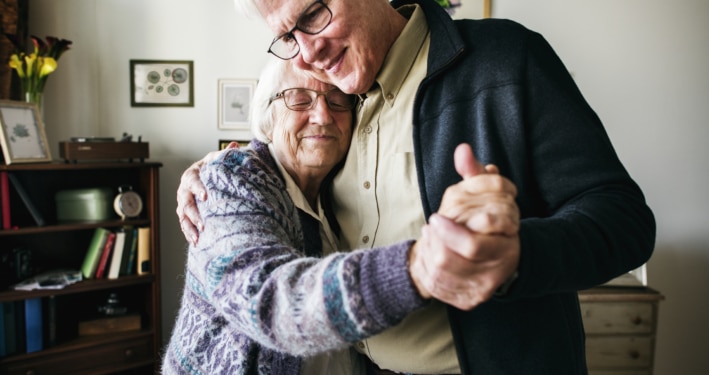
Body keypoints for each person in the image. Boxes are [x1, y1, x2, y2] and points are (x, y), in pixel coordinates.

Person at [176, 0, 656, 373]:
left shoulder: (506, 59)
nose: (308, 52)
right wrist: (220, 168)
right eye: (286, 36)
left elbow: (624, 219)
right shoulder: (340, 108)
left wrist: (516, 254)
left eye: (315, 14)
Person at [163, 57, 513, 374]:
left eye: (337, 101)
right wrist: (419, 267)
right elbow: (267, 301)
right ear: (267, 119)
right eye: (299, 99)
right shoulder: (228, 181)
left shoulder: (338, 191)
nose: (323, 115)